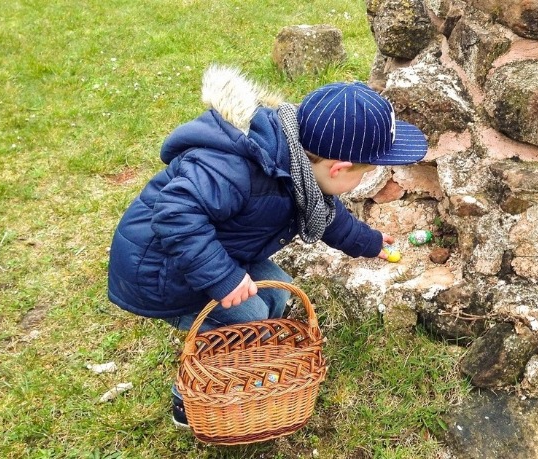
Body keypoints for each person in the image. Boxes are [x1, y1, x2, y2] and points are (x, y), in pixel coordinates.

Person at [106, 65, 428, 428]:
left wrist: (368, 242)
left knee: (276, 293)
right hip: (161, 270)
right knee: (248, 319)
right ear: (338, 169)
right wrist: (223, 278)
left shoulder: (300, 166)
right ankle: (191, 397)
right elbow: (174, 213)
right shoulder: (235, 169)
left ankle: (250, 353)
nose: (365, 179)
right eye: (365, 173)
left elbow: (327, 216)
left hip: (212, 249)